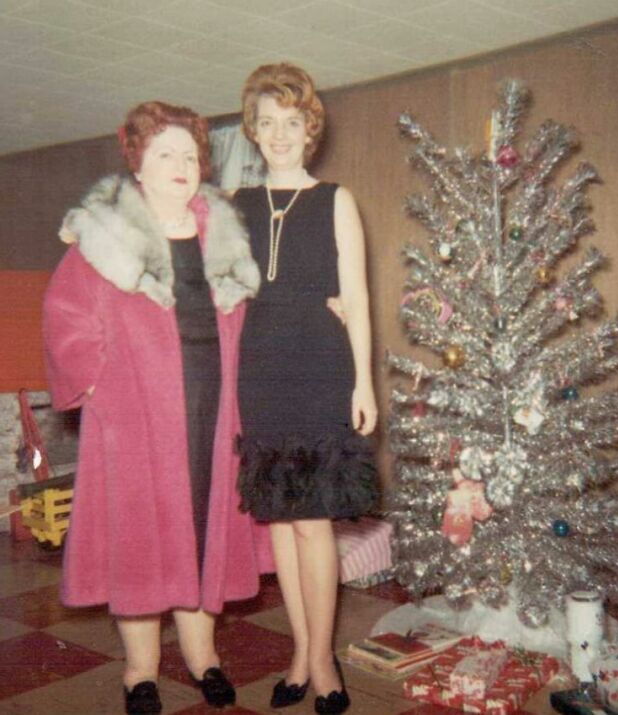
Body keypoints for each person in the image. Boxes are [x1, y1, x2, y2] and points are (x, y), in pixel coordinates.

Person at [43, 101, 273, 715]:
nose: (180, 165)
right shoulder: (102, 236)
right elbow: (65, 316)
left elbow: (250, 326)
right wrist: (97, 386)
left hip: (212, 408)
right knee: (141, 539)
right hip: (136, 415)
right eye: (164, 153)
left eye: (190, 154)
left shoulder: (223, 235)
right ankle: (140, 672)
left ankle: (205, 660)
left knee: (203, 531)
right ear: (138, 165)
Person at [231, 63, 379, 715]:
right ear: (255, 132)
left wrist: (364, 380)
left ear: (308, 129)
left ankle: (321, 658)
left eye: (292, 122)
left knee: (313, 521)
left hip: (320, 366)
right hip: (261, 369)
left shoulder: (336, 199)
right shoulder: (235, 205)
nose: (280, 134)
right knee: (283, 524)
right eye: (268, 123)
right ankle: (299, 649)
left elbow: (359, 297)